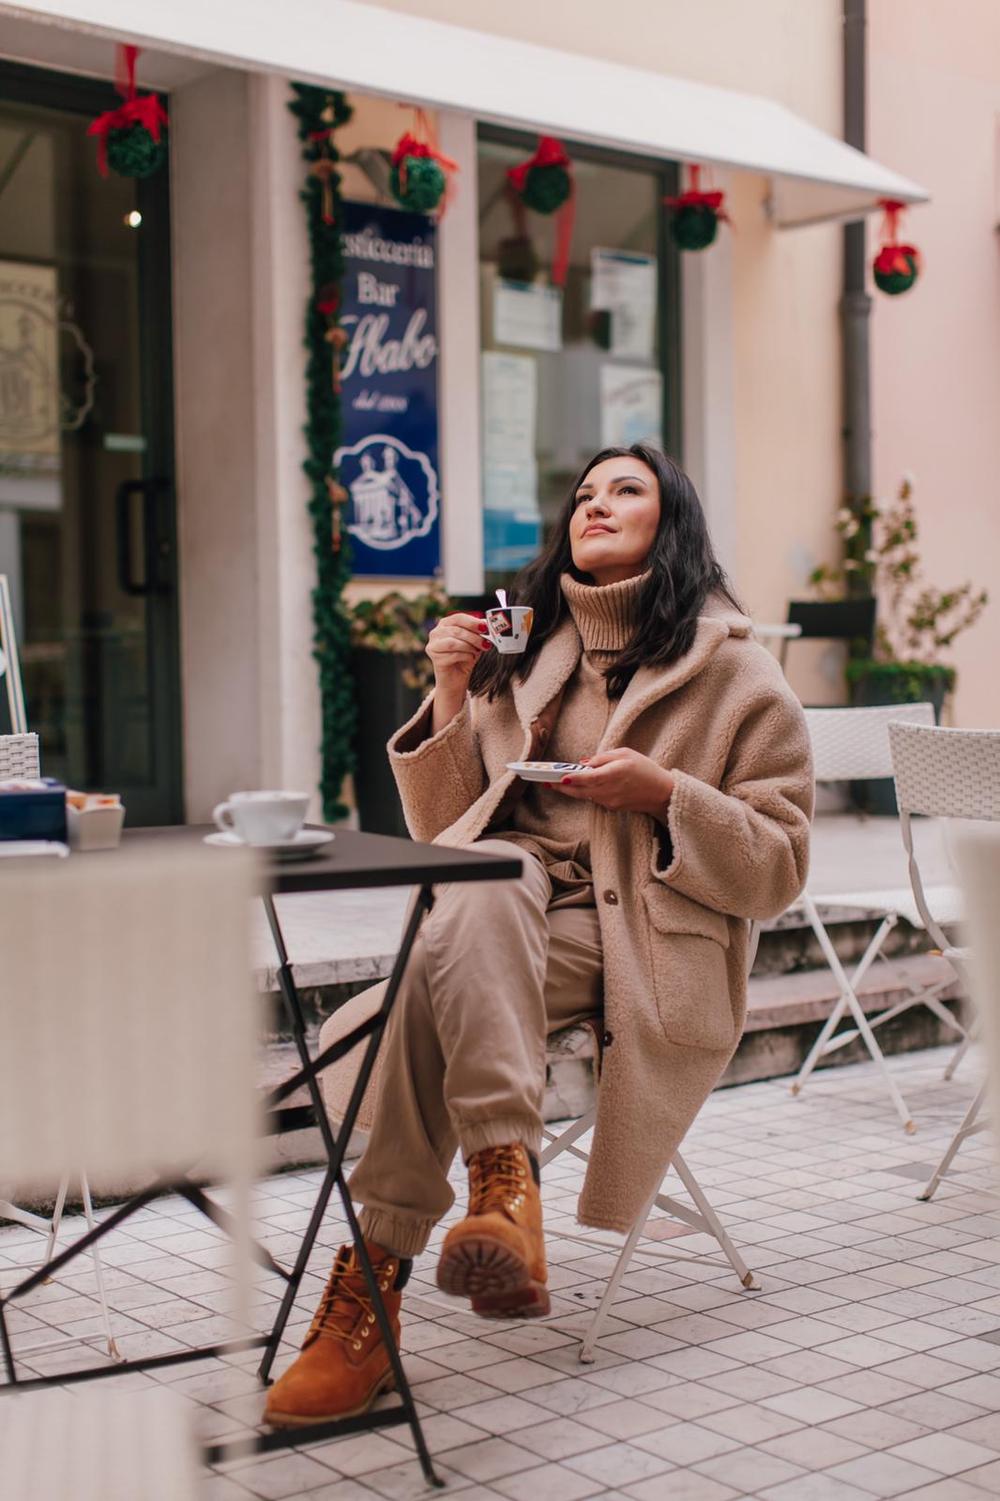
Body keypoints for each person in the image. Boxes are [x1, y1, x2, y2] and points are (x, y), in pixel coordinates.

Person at [265, 444, 813, 1427]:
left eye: (625, 490)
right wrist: (445, 686)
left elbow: (776, 867)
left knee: (426, 982)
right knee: (486, 874)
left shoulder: (739, 673)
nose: (596, 503)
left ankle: (368, 1292)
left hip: (639, 932)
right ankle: (498, 1183)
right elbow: (449, 831)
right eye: (584, 493)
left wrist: (666, 794)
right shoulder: (527, 655)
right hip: (506, 912)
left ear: (670, 520)